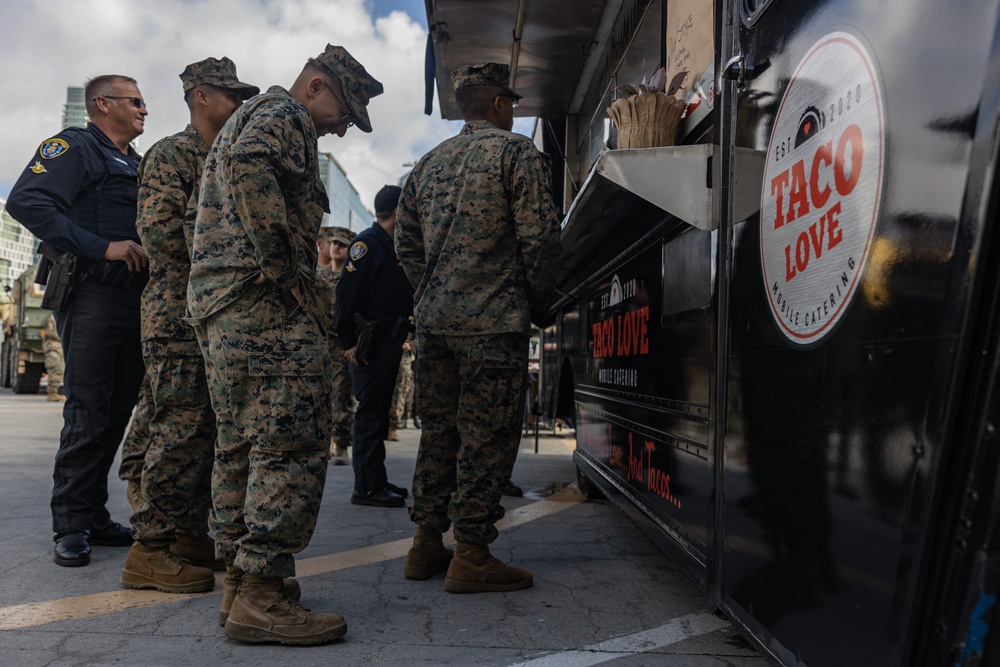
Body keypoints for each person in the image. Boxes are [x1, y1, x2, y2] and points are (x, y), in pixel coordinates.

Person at [186, 44, 382, 645]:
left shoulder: (259, 115)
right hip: (262, 308)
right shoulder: (285, 115)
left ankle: (242, 585)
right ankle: (262, 597)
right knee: (288, 445)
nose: (344, 128)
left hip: (229, 308)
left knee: (242, 445)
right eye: (345, 112)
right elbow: (250, 168)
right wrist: (288, 274)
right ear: (318, 86)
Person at [395, 63, 559, 592]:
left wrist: (431, 295)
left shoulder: (427, 164)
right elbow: (539, 239)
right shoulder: (516, 154)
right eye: (510, 102)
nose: (512, 111)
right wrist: (539, 304)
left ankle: (425, 544)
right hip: (493, 323)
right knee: (486, 436)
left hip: (436, 326)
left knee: (439, 432)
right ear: (497, 104)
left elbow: (406, 246)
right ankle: (471, 553)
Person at [119, 57, 259, 596]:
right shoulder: (173, 155)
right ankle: (148, 549)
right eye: (230, 94)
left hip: (211, 313)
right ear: (201, 96)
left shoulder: (226, 155)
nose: (239, 104)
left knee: (205, 429)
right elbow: (160, 236)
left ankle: (186, 533)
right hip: (177, 313)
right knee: (178, 428)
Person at [7, 74, 150, 568]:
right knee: (88, 409)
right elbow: (25, 201)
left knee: (115, 410)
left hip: (133, 300)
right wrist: (100, 247)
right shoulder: (74, 146)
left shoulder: (135, 161)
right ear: (102, 104)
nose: (144, 109)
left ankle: (92, 513)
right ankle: (69, 525)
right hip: (91, 294)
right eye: (135, 101)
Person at [335, 185, 414, 508]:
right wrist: (348, 342)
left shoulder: (390, 244)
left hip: (388, 342)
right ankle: (366, 488)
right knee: (369, 416)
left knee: (378, 415)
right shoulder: (367, 245)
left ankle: (375, 479)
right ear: (397, 211)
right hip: (370, 344)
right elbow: (345, 296)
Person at [317, 226, 356, 465]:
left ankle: (341, 444)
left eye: (341, 244)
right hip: (321, 343)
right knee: (322, 395)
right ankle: (326, 443)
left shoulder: (352, 278)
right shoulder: (319, 276)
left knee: (341, 395)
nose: (336, 247)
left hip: (342, 345)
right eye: (333, 243)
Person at [387, 335, 415, 440]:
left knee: (400, 391)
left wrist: (412, 344)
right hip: (382, 346)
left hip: (403, 353)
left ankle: (393, 426)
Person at [42, 313, 65, 402]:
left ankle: (54, 392)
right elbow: (50, 332)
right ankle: (52, 393)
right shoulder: (52, 318)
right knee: (54, 369)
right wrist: (64, 335)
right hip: (53, 348)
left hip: (58, 347)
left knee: (59, 370)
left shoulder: (60, 316)